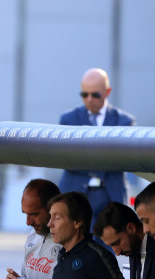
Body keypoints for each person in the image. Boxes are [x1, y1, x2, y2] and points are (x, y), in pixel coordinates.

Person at [58, 68, 135, 230]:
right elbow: (66, 157)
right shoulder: (68, 120)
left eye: (95, 94)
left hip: (110, 194)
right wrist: (104, 160)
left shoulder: (124, 122)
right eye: (85, 95)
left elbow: (123, 158)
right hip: (76, 193)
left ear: (107, 92)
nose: (90, 99)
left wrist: (85, 157)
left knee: (109, 248)